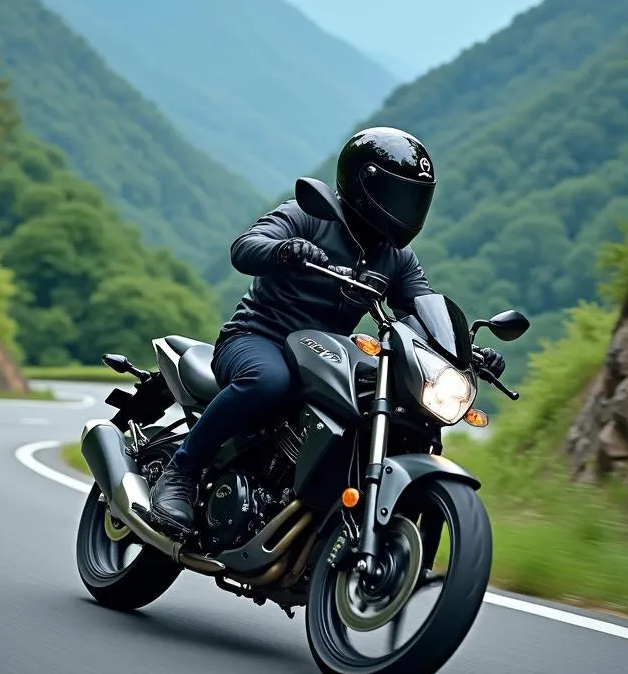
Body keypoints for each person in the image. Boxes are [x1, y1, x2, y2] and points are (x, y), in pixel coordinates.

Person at [149, 126, 506, 534]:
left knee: (373, 408)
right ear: (363, 184)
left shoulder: (397, 258)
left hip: (326, 355)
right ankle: (180, 474)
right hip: (257, 337)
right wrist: (283, 250)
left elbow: (421, 309)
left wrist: (463, 352)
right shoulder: (309, 216)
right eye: (397, 195)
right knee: (268, 382)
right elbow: (245, 247)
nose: (406, 208)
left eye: (415, 198)